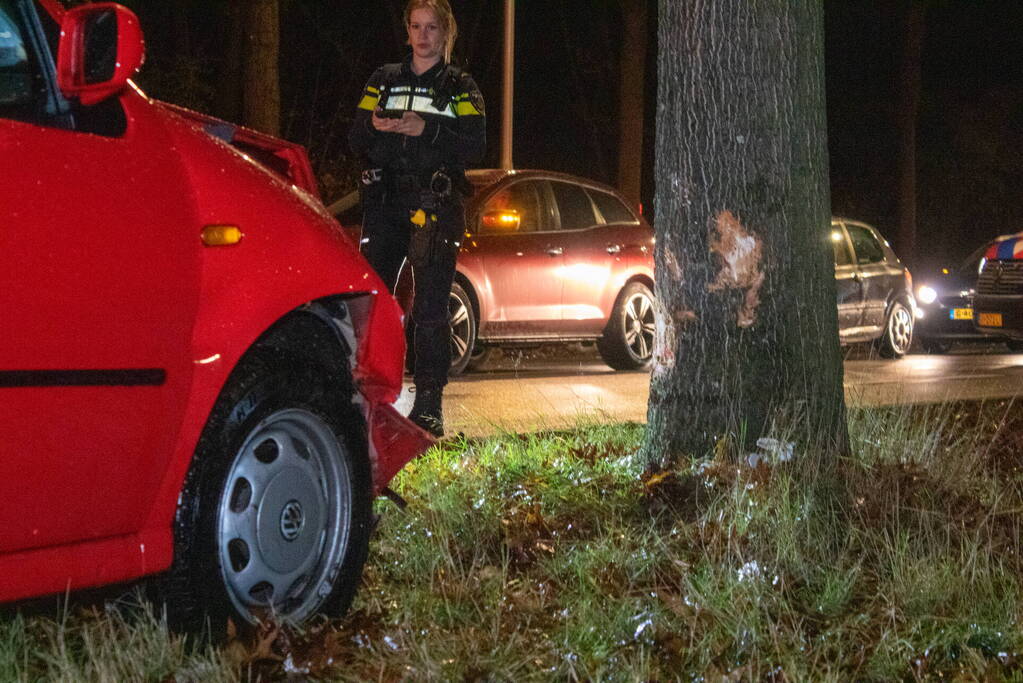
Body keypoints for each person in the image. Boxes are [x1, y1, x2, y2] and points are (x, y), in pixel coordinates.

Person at [349, 0, 485, 437]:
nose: (423, 36)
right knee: (371, 305)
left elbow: (474, 146)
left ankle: (428, 408)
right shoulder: (383, 80)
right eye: (416, 26)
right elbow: (355, 137)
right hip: (386, 203)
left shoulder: (461, 87)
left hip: (436, 205)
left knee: (429, 311)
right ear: (406, 32)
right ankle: (364, 398)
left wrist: (425, 130)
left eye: (432, 28)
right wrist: (376, 127)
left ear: (445, 32)